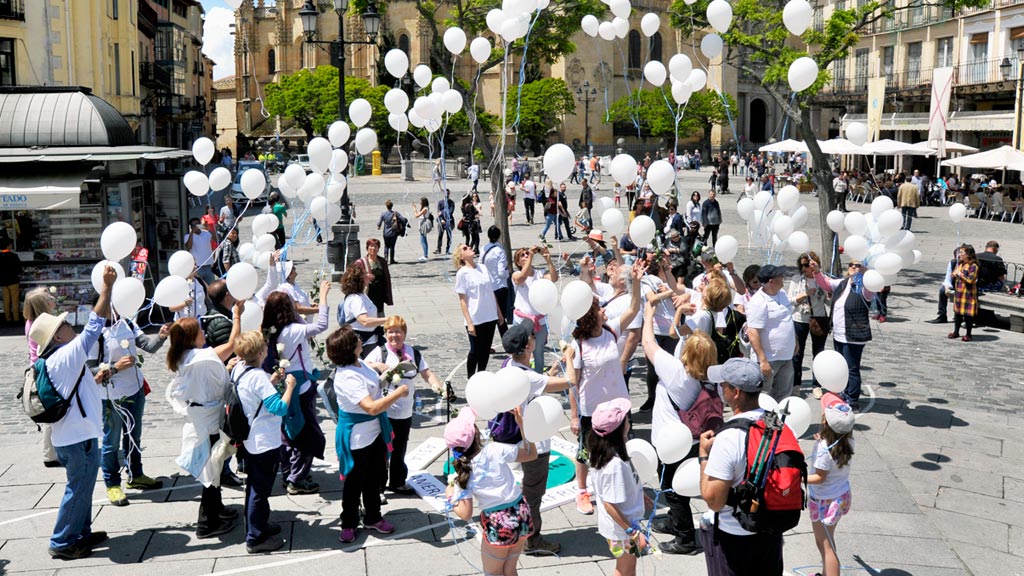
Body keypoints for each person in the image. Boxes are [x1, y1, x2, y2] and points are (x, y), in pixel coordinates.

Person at [29, 266, 117, 559]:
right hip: (77, 438)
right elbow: (94, 326)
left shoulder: (56, 358)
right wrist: (107, 287)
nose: (70, 325)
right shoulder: (65, 354)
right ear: (56, 337)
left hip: (74, 435)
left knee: (83, 487)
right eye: (64, 325)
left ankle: (81, 533)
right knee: (78, 489)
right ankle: (62, 542)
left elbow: (73, 390)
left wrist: (96, 380)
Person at [566, 262, 642, 516]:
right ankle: (582, 490)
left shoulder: (611, 330)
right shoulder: (579, 345)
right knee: (585, 451)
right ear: (591, 316)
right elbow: (573, 383)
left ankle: (622, 485)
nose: (604, 310)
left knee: (620, 446)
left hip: (617, 404)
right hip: (591, 409)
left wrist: (636, 282)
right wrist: (574, 416)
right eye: (599, 308)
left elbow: (634, 308)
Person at [698, 358, 784, 575]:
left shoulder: (729, 438)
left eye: (723, 385)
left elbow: (714, 501)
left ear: (736, 393)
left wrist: (703, 456)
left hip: (735, 537)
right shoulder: (775, 423)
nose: (720, 388)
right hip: (770, 531)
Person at [166, 305, 243, 540]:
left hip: (200, 417)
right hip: (208, 420)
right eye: (200, 331)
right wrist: (237, 316)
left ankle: (217, 509)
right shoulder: (202, 356)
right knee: (211, 468)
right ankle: (206, 523)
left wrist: (224, 367)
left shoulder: (184, 356)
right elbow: (233, 343)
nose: (204, 333)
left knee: (214, 466)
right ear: (192, 337)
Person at [645, 312, 718, 555]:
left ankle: (685, 539)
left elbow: (648, 343)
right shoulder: (712, 377)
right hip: (696, 439)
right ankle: (674, 522)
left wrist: (648, 313)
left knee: (673, 489)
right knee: (679, 485)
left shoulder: (677, 373)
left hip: (672, 442)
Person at [327, 326, 407, 543]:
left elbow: (373, 381)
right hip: (357, 437)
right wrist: (399, 392)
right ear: (350, 348)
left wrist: (386, 372)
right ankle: (348, 522)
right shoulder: (347, 377)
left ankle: (373, 517)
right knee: (354, 482)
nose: (359, 339)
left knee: (374, 477)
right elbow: (371, 407)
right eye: (355, 338)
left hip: (375, 431)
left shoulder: (358, 362)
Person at [498, 320, 570, 554]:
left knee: (523, 489)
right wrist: (571, 359)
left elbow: (535, 383)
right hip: (534, 443)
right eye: (531, 336)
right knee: (533, 492)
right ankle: (532, 539)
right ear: (528, 346)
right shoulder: (529, 378)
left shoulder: (508, 366)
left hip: (516, 440)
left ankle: (519, 530)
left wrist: (552, 370)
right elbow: (569, 382)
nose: (534, 337)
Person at [88, 308, 169, 506]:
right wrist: (115, 368)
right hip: (111, 396)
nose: (117, 308)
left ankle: (136, 474)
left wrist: (161, 336)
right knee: (111, 441)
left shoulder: (128, 323)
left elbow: (148, 346)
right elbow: (89, 370)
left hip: (135, 390)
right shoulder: (95, 333)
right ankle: (112, 484)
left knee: (133, 436)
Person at [444, 406, 536, 576]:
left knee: (493, 572)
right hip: (521, 512)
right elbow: (531, 454)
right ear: (476, 435)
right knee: (510, 570)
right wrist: (522, 425)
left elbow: (465, 513)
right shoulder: (496, 449)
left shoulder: (464, 473)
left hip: (498, 522)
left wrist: (450, 496)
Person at [231, 330, 297, 554]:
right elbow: (279, 407)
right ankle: (255, 538)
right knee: (260, 490)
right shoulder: (258, 377)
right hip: (264, 441)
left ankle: (259, 525)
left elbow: (255, 394)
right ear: (260, 352)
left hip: (250, 438)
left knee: (254, 486)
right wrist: (289, 386)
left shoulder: (240, 368)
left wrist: (272, 381)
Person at [262, 280, 330, 495]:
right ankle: (297, 479)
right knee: (305, 434)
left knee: (287, 431)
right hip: (300, 387)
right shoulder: (292, 330)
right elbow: (321, 326)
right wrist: (323, 296)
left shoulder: (271, 330)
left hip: (284, 384)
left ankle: (288, 472)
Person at [366, 316, 444, 495]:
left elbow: (426, 373)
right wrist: (378, 365)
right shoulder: (380, 351)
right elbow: (364, 364)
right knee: (382, 451)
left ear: (405, 333)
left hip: (405, 411)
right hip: (385, 411)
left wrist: (438, 387)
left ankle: (397, 481)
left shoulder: (413, 353)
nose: (394, 335)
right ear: (385, 334)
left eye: (398, 331)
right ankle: (378, 488)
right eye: (390, 332)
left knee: (400, 449)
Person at [588, 398, 652, 575]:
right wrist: (632, 532)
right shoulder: (614, 465)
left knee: (628, 567)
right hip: (621, 529)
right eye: (626, 420)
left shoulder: (604, 453)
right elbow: (610, 504)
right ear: (620, 429)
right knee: (624, 569)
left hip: (621, 527)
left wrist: (639, 494)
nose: (628, 421)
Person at [810, 260, 874, 409]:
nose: (853, 267)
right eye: (851, 264)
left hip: (854, 334)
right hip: (839, 333)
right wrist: (817, 271)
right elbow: (826, 284)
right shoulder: (843, 282)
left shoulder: (865, 287)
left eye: (857, 265)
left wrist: (867, 275)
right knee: (843, 366)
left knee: (851, 368)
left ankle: (852, 398)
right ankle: (844, 393)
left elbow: (870, 292)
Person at [808, 392, 856, 576]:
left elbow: (820, 477)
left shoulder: (824, 448)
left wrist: (799, 477)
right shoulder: (848, 440)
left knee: (825, 546)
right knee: (828, 541)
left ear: (825, 421)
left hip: (824, 500)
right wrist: (823, 438)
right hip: (840, 495)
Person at [453, 243, 505, 379]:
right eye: (465, 249)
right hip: (475, 317)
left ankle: (481, 376)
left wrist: (499, 313)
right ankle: (471, 377)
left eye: (468, 246)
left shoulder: (483, 268)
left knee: (485, 350)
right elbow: (462, 300)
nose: (469, 248)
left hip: (490, 315)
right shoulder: (462, 273)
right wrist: (469, 322)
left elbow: (491, 291)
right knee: (475, 350)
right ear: (461, 256)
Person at [745, 265, 796, 402]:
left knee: (784, 394)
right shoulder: (758, 302)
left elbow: (787, 320)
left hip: (786, 356)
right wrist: (763, 360)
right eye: (780, 276)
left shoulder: (782, 294)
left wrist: (795, 341)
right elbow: (753, 332)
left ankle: (779, 415)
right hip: (769, 358)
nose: (783, 278)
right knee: (764, 396)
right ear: (771, 281)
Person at [24, 287, 61, 467]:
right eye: (49, 299)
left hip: (39, 368)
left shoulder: (32, 321)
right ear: (43, 305)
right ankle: (50, 454)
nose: (53, 299)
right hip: (45, 370)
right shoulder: (43, 324)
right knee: (51, 409)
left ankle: (53, 451)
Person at [788, 252, 830, 399]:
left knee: (818, 353)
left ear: (814, 264)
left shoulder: (822, 279)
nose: (804, 268)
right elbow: (790, 300)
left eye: (807, 265)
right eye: (802, 265)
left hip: (818, 319)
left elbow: (829, 302)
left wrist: (829, 295)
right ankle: (796, 384)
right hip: (799, 319)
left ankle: (816, 385)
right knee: (797, 353)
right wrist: (805, 294)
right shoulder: (796, 279)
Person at [512, 245, 559, 373]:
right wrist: (531, 257)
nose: (526, 256)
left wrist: (548, 260)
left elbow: (554, 278)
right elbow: (521, 278)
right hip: (522, 321)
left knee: (538, 352)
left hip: (539, 321)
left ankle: (538, 377)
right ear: (518, 262)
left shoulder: (539, 273)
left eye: (527, 253)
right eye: (522, 255)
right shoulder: (516, 274)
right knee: (520, 351)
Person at [338, 265, 388, 353]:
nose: (368, 276)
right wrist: (387, 320)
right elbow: (364, 321)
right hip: (363, 343)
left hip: (371, 340)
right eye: (365, 275)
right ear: (359, 280)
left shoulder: (361, 295)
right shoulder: (355, 299)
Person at [481, 225, 512, 337]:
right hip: (499, 286)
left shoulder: (483, 249)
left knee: (491, 315)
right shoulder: (500, 251)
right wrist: (508, 273)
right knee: (501, 316)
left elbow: (481, 265)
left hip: (488, 286)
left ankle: (488, 340)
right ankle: (507, 340)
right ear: (499, 236)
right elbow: (501, 272)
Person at [354, 238, 393, 317]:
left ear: (378, 248)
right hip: (367, 293)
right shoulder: (360, 262)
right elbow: (353, 278)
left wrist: (387, 294)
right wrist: (365, 277)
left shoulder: (382, 261)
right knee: (369, 314)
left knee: (379, 314)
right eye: (371, 246)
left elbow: (386, 278)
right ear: (367, 248)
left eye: (376, 246)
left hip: (379, 294)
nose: (373, 248)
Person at [949, 243, 979, 342]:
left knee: (968, 316)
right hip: (959, 293)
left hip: (968, 294)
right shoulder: (960, 264)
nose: (960, 254)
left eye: (962, 253)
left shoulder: (973, 266)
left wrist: (960, 274)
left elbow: (971, 280)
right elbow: (953, 275)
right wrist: (954, 273)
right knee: (957, 314)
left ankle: (968, 334)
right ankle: (956, 331)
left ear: (968, 254)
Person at [185, 218, 216, 284]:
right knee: (199, 286)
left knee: (211, 286)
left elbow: (216, 239)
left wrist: (209, 229)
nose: (196, 227)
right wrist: (192, 233)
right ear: (191, 227)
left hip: (208, 266)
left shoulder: (207, 233)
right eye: (193, 225)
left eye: (197, 224)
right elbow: (189, 247)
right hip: (197, 267)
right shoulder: (187, 236)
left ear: (200, 225)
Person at [0, 237, 22, 323]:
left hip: (3, 282)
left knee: (6, 301)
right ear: (8, 245)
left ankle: (8, 318)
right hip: (13, 281)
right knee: (15, 301)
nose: (12, 245)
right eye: (11, 244)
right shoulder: (14, 256)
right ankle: (16, 319)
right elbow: (19, 269)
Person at [376, 200, 403, 264]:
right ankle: (392, 259)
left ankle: (385, 259)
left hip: (386, 233)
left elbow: (379, 223)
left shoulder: (383, 214)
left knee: (386, 246)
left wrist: (379, 226)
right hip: (393, 232)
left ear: (386, 206)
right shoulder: (395, 213)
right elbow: (403, 219)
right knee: (392, 246)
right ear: (392, 206)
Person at [435, 189, 455, 255]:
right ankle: (438, 249)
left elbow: (450, 212)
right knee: (440, 235)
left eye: (448, 193)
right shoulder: (440, 202)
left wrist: (442, 212)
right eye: (446, 193)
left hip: (449, 221)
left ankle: (448, 249)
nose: (447, 194)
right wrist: (441, 219)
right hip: (441, 221)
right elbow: (438, 213)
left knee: (449, 236)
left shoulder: (451, 203)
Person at [413, 197, 431, 262]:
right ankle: (425, 255)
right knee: (423, 240)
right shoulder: (424, 208)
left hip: (424, 225)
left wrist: (414, 209)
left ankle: (425, 255)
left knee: (423, 240)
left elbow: (416, 215)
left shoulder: (425, 208)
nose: (420, 202)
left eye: (421, 201)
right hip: (422, 225)